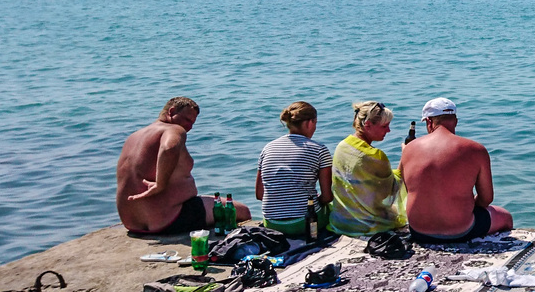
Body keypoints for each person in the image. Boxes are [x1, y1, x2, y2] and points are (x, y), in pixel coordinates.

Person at [116, 97, 249, 234]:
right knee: (242, 211)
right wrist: (159, 185)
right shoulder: (173, 129)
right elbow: (168, 148)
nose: (189, 127)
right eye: (187, 120)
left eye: (192, 123)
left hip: (132, 223)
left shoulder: (133, 137)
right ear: (171, 112)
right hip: (170, 219)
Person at [400, 97, 513, 242]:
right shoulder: (476, 149)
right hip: (460, 230)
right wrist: (464, 205)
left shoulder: (409, 149)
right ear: (455, 121)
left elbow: (407, 188)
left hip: (419, 230)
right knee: (505, 216)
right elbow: (486, 199)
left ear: (429, 122)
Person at [255, 101, 333, 238]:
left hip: (271, 223)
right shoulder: (319, 149)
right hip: (304, 223)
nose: (315, 128)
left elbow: (260, 194)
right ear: (309, 123)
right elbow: (327, 197)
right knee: (331, 209)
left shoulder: (268, 148)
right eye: (315, 123)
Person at [328, 101, 407, 236]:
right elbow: (391, 191)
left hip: (341, 221)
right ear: (368, 125)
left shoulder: (342, 146)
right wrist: (406, 156)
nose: (389, 130)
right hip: (367, 227)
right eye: (385, 126)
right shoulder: (375, 156)